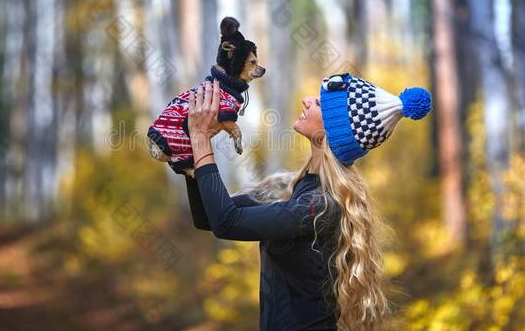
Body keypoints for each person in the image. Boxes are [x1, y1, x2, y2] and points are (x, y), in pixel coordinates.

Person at [184, 72, 432, 330]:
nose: (306, 100)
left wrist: (201, 139)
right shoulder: (298, 188)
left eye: (320, 103)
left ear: (330, 133)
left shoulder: (320, 206)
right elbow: (209, 218)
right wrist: (189, 157)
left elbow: (227, 222)